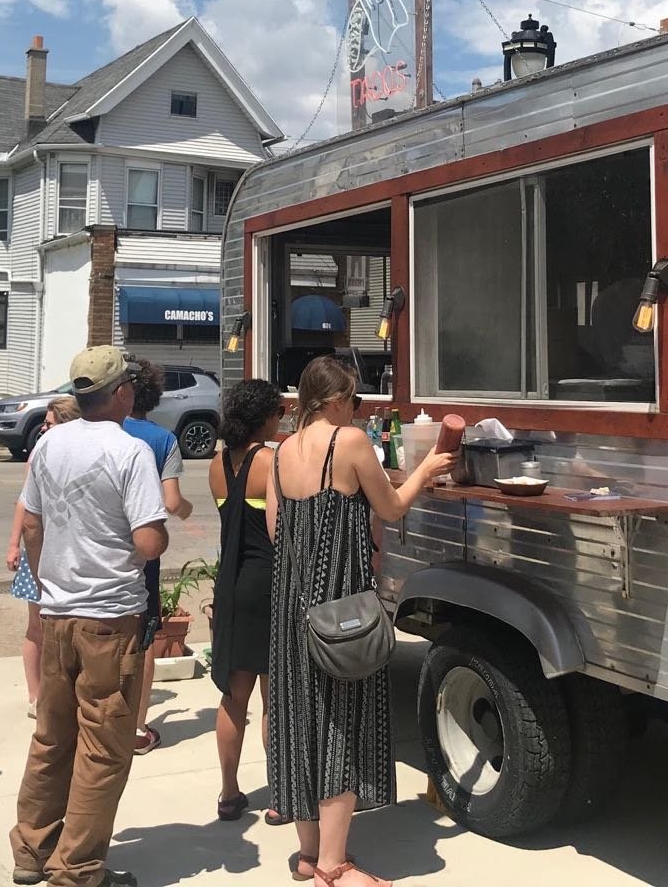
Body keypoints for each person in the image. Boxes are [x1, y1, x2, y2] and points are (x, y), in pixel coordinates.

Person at [266, 356, 454, 887]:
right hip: (340, 608)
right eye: (353, 399)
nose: (357, 409)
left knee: (300, 722)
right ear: (333, 400)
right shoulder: (346, 442)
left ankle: (308, 856)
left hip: (293, 610)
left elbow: (279, 530)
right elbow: (391, 508)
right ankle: (333, 865)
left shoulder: (280, 451)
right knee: (340, 724)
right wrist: (425, 470)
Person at [11, 346, 169, 887]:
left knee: (52, 737)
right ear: (121, 391)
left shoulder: (49, 442)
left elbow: (31, 524)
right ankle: (77, 869)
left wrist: (48, 577)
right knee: (103, 748)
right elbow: (148, 542)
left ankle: (32, 850)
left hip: (57, 613)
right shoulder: (130, 452)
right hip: (109, 615)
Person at [208, 378, 283, 823]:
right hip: (266, 583)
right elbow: (277, 529)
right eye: (277, 413)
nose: (281, 420)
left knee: (233, 698)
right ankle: (279, 796)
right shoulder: (269, 461)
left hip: (230, 585)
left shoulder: (217, 464)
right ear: (264, 418)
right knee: (274, 699)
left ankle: (229, 793)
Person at [120, 357, 193, 755]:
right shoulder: (162, 439)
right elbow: (172, 500)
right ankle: (137, 726)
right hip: (142, 550)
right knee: (145, 636)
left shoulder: (100, 430)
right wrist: (187, 511)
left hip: (95, 549)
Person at [8, 396, 80, 718]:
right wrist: (14, 545)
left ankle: (59, 692)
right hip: (38, 549)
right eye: (44, 424)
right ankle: (35, 694)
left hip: (66, 549)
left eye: (50, 424)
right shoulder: (41, 453)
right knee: (36, 625)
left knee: (62, 628)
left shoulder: (76, 452)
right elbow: (24, 503)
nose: (44, 430)